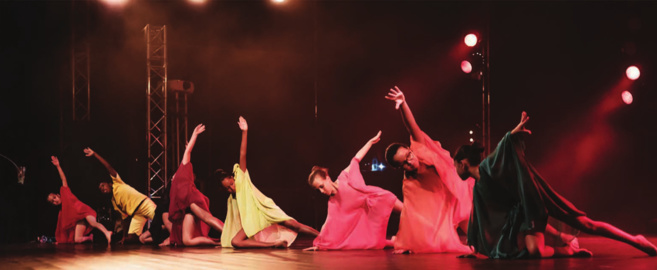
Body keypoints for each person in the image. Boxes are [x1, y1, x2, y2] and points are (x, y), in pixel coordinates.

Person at [454, 111, 657, 258]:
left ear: (463, 163)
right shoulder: (478, 188)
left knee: (587, 224)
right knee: (534, 252)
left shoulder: (488, 166)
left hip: (535, 199)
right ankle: (567, 250)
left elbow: (503, 146)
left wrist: (515, 131)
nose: (455, 170)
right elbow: (479, 219)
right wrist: (475, 249)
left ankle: (635, 240)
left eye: (455, 166)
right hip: (525, 214)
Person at [383, 86, 473, 254]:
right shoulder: (410, 182)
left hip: (458, 192)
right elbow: (412, 215)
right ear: (399, 168)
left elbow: (412, 126)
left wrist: (403, 104)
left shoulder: (420, 148)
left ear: (410, 149)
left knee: (478, 237)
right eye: (404, 163)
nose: (410, 162)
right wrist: (407, 242)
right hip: (446, 204)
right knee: (452, 243)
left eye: (408, 155)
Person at [219, 116, 319, 248]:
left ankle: (324, 235)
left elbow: (243, 154)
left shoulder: (241, 178)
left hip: (263, 209)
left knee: (294, 225)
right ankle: (273, 244)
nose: (231, 188)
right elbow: (232, 221)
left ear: (233, 178)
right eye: (227, 188)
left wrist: (245, 131)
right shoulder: (231, 198)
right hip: (253, 220)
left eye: (231, 184)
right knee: (235, 241)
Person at [306, 131, 403, 250]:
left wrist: (370, 142)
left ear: (327, 177)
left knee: (407, 211)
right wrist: (319, 245)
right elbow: (326, 226)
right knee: (374, 242)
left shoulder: (344, 176)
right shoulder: (333, 204)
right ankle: (402, 240)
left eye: (321, 186)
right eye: (318, 189)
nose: (321, 191)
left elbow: (356, 158)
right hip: (368, 218)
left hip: (377, 199)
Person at [85, 147, 157, 244]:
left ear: (109, 183)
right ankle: (155, 239)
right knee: (131, 239)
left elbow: (108, 166)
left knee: (163, 221)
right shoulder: (114, 203)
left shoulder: (117, 183)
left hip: (144, 204)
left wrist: (95, 154)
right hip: (137, 215)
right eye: (100, 189)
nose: (102, 188)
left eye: (103, 185)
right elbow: (125, 219)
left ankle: (166, 236)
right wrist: (124, 237)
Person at [168, 124, 225, 246]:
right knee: (187, 241)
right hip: (186, 209)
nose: (172, 177)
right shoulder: (174, 184)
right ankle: (219, 243)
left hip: (192, 200)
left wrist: (194, 134)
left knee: (208, 219)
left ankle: (229, 234)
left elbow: (188, 151)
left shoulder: (183, 169)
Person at [48, 156, 112, 244]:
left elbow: (63, 179)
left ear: (58, 195)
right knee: (77, 240)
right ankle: (90, 237)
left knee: (93, 223)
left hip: (84, 211)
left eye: (54, 198)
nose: (55, 201)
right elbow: (62, 229)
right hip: (80, 220)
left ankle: (107, 232)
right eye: (52, 201)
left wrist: (58, 166)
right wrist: (59, 241)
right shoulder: (61, 212)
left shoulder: (64, 192)